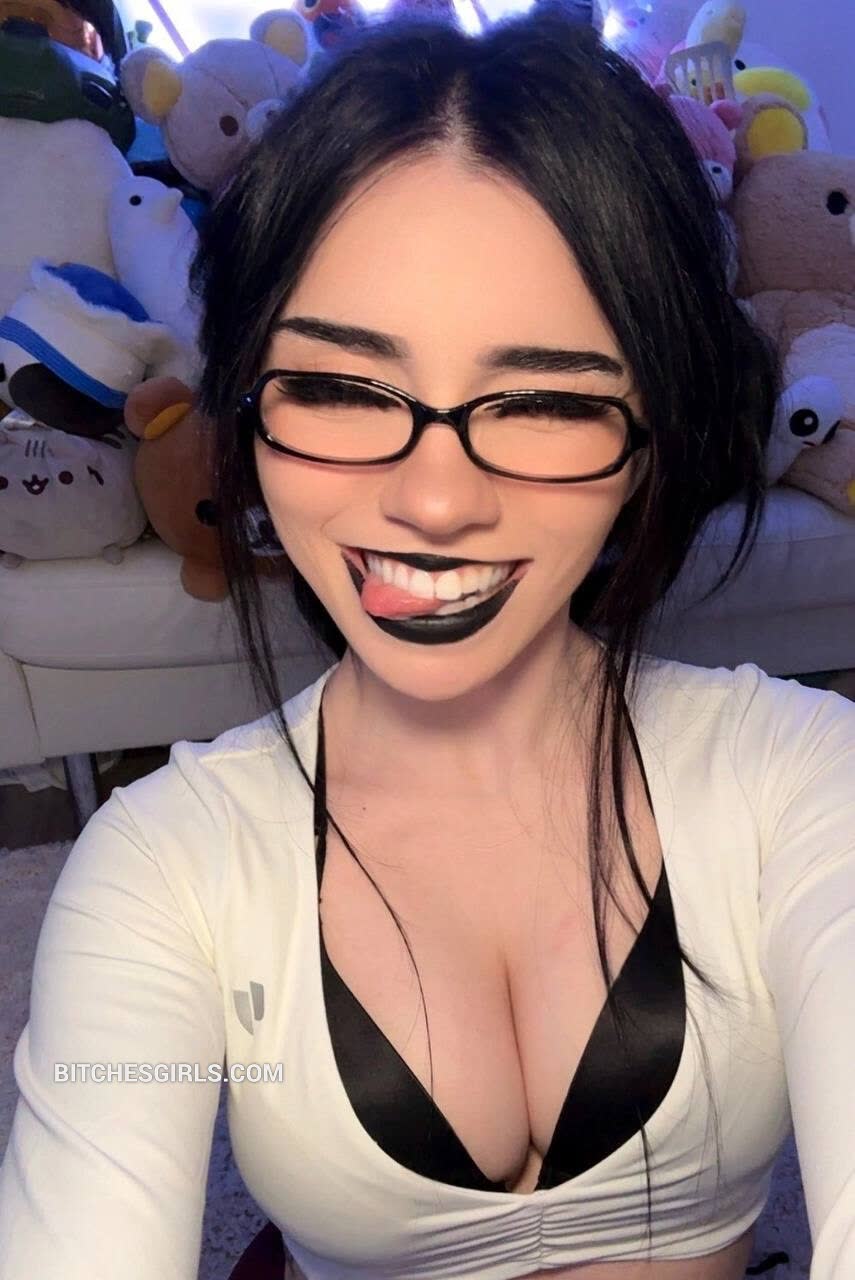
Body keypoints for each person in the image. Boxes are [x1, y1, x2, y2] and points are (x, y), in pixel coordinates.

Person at [1, 7, 853, 1279]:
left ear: (653, 428)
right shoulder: (162, 868)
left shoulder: (804, 782)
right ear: (247, 404)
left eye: (545, 397)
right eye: (339, 387)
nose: (437, 500)